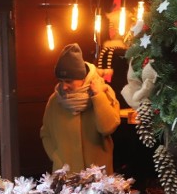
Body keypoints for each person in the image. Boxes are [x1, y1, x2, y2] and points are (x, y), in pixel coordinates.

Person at [41, 43, 121, 174]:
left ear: (83, 78)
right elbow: (45, 134)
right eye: (61, 80)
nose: (64, 86)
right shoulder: (55, 100)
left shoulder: (104, 93)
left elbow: (107, 128)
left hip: (98, 179)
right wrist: (56, 157)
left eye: (69, 81)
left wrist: (98, 96)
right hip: (66, 177)